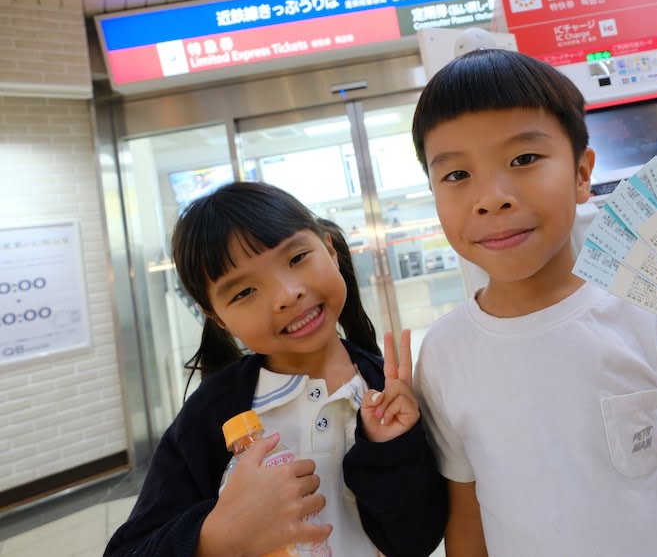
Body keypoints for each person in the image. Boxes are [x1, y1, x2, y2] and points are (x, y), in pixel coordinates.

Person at [410, 49, 657, 557]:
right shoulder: (444, 353)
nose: (491, 197)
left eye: (523, 159)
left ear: (583, 174)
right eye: (455, 176)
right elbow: (467, 527)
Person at [105, 182, 447, 557]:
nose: (287, 295)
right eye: (244, 292)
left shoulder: (388, 390)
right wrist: (215, 537)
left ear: (329, 250)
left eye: (296, 258)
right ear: (217, 317)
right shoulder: (213, 414)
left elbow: (417, 540)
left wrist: (390, 452)